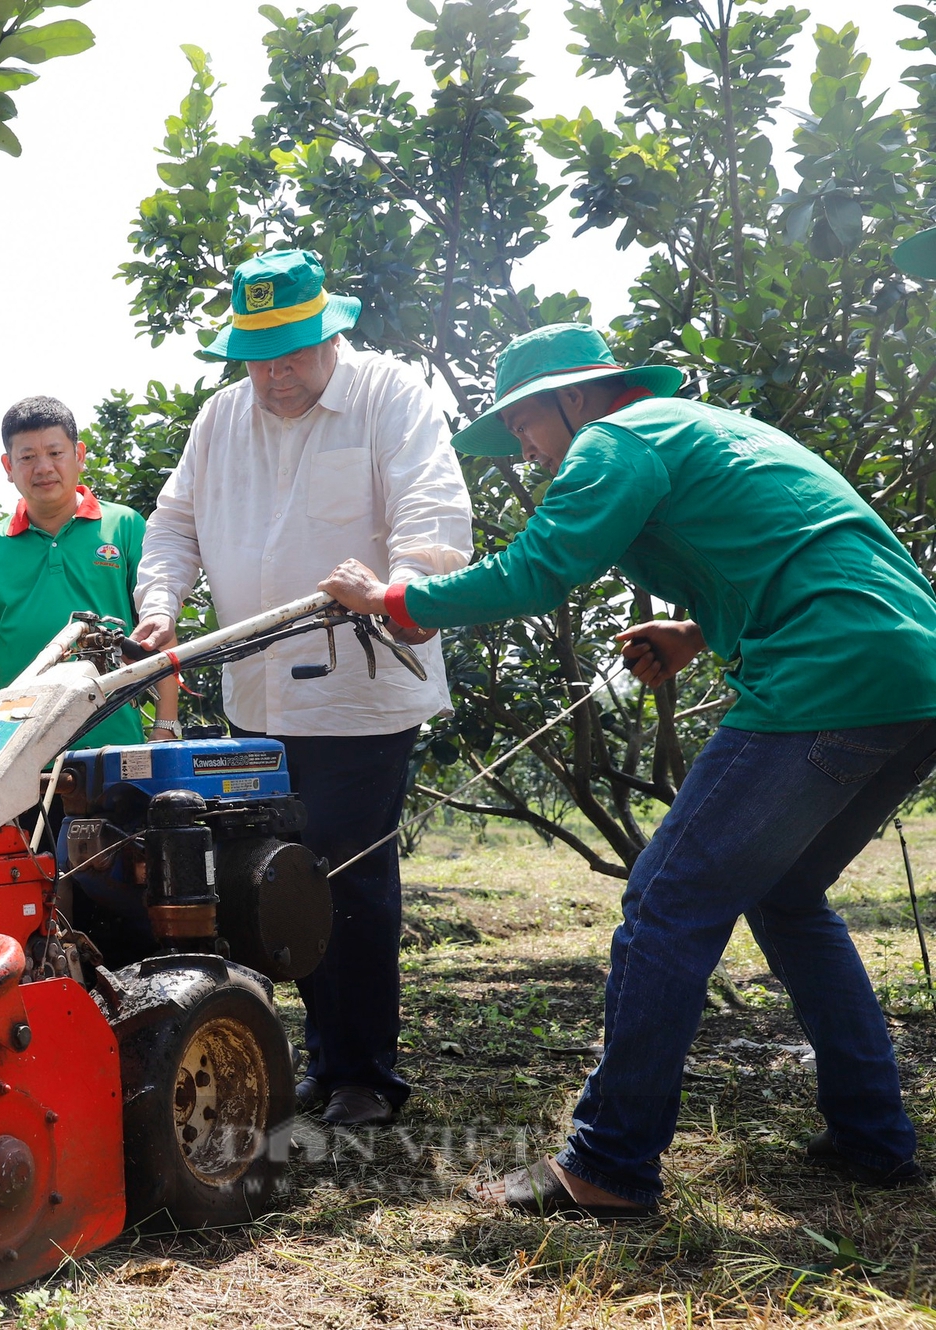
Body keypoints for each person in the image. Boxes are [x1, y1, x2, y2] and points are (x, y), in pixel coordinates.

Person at [321, 321, 936, 1214]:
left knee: (665, 902)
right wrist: (695, 630)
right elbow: (795, 547)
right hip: (909, 676)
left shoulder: (618, 438)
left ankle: (606, 1164)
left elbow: (536, 573)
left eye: (527, 426)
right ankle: (873, 1135)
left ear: (574, 398)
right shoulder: (714, 430)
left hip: (823, 678)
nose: (528, 452)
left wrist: (396, 599)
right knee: (786, 895)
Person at [129, 249, 472, 1128]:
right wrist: (161, 605)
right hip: (257, 695)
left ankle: (365, 1072)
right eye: (257, 356)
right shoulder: (219, 419)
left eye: (290, 354)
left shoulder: (390, 394)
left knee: (350, 878)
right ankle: (320, 1062)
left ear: (332, 332)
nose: (274, 375)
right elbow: (173, 525)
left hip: (361, 691)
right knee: (279, 879)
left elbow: (431, 508)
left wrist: (409, 592)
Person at [0, 396, 176, 749]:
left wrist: (166, 723)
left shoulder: (125, 526)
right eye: (27, 457)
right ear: (8, 466)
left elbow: (157, 628)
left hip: (114, 739)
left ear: (79, 455)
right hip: (15, 746)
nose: (43, 467)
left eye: (55, 453)